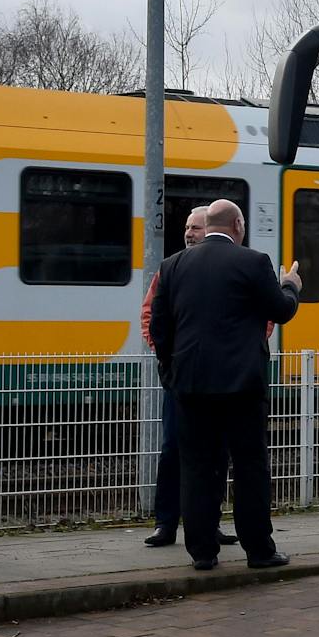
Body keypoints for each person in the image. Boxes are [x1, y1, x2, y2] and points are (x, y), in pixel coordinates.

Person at [149, 199, 301, 571]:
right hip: (242, 387)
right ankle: (259, 551)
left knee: (197, 467)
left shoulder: (172, 266)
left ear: (209, 224)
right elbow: (280, 310)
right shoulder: (253, 262)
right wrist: (290, 285)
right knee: (250, 467)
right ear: (237, 224)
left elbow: (159, 327)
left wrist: (170, 372)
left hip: (190, 386)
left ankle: (202, 552)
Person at [138, 205, 234, 548]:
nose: (189, 233)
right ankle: (165, 523)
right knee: (173, 449)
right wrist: (167, 360)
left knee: (216, 453)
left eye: (195, 227)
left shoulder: (222, 266)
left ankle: (209, 523)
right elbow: (151, 316)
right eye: (187, 227)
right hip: (182, 378)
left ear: (209, 229)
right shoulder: (172, 268)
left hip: (215, 378)